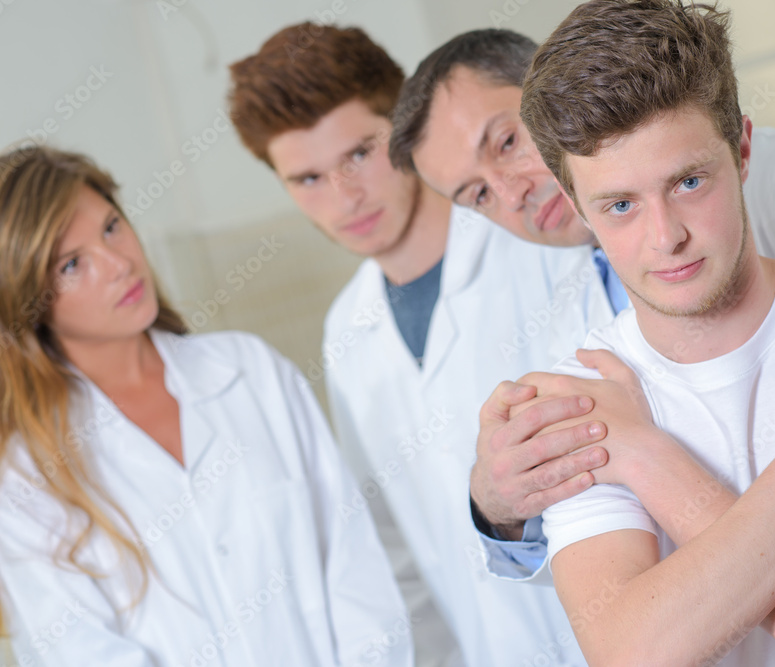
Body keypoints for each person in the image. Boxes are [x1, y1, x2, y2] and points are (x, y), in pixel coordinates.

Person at [388, 24, 775, 664]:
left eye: (507, 143)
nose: (666, 237)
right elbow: (629, 642)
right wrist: (507, 506)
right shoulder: (582, 365)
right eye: (478, 194)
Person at [0, 146, 411, 666]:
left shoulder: (249, 371)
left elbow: (353, 566)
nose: (119, 263)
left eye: (111, 227)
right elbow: (84, 653)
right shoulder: (23, 473)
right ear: (23, 301)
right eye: (72, 264)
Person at [227, 24, 589, 667]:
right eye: (307, 179)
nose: (344, 197)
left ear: (401, 130)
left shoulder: (540, 241)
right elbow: (394, 547)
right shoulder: (347, 332)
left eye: (358, 154)